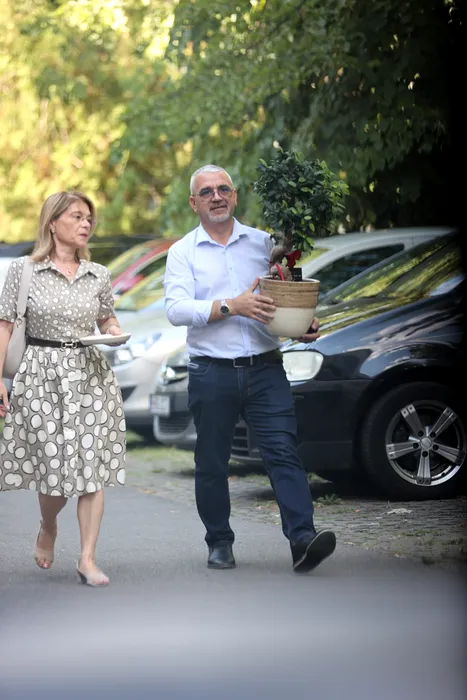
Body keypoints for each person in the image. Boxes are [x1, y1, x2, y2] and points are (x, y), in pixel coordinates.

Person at [164, 164, 336, 573]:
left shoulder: (263, 244)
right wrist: (232, 306)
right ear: (193, 203)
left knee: (283, 453)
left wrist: (300, 324)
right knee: (212, 462)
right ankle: (219, 542)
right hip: (211, 372)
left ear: (236, 195)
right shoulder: (183, 252)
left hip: (265, 369)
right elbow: (176, 309)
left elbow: (285, 294)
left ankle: (302, 540)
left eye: (223, 189)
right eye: (207, 192)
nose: (216, 196)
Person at [0, 190, 127, 586]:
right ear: (52, 223)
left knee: (91, 469)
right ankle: (48, 524)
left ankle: (87, 559)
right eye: (76, 216)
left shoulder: (98, 274)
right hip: (41, 375)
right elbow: (5, 326)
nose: (85, 224)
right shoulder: (24, 271)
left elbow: (106, 317)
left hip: (90, 376)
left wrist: (114, 331)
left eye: (89, 218)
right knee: (53, 471)